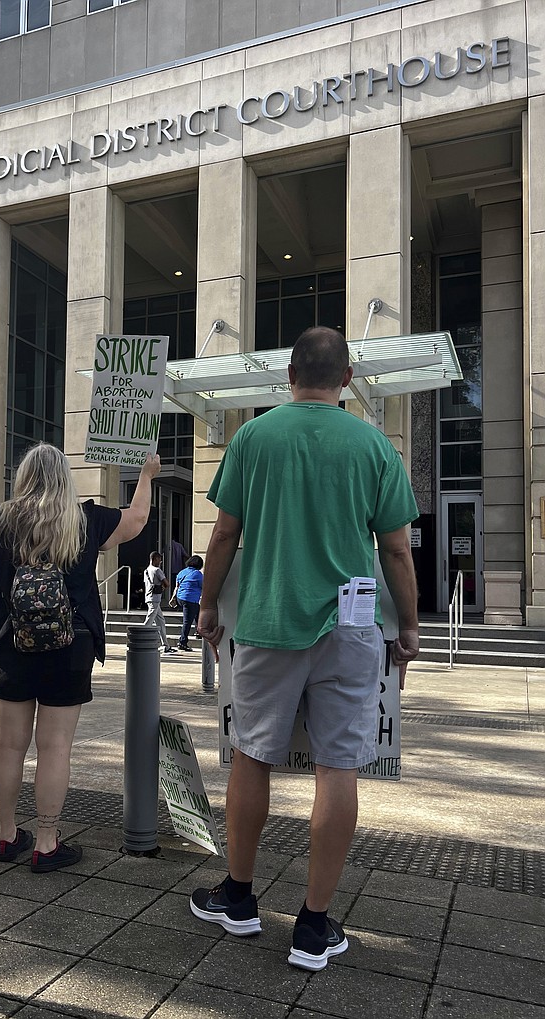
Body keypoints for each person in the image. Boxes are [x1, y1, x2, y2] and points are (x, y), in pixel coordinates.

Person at [189, 326, 419, 971]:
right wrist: (409, 625)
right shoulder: (375, 446)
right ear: (347, 381)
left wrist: (207, 605)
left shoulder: (253, 438)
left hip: (266, 619)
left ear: (287, 375)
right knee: (337, 767)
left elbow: (223, 536)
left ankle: (238, 897)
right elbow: (397, 548)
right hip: (352, 628)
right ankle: (314, 927)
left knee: (251, 756)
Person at [0, 444, 160, 872]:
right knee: (55, 747)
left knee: (9, 744)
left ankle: (7, 835)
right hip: (70, 645)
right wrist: (145, 474)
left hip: (8, 641)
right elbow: (138, 520)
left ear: (24, 477)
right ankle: (47, 842)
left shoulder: (2, 517)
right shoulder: (86, 518)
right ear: (64, 477)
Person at [143, 551, 175, 655]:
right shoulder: (157, 570)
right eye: (159, 559)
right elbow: (167, 583)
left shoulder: (146, 570)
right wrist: (163, 587)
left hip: (149, 597)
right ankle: (140, 638)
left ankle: (165, 645)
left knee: (161, 621)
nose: (160, 561)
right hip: (155, 598)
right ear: (155, 559)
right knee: (149, 620)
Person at [172, 554, 203, 651]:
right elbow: (204, 586)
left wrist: (173, 598)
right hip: (190, 599)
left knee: (198, 611)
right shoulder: (198, 574)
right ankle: (182, 642)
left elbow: (177, 586)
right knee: (187, 621)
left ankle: (199, 631)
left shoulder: (182, 572)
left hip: (180, 598)